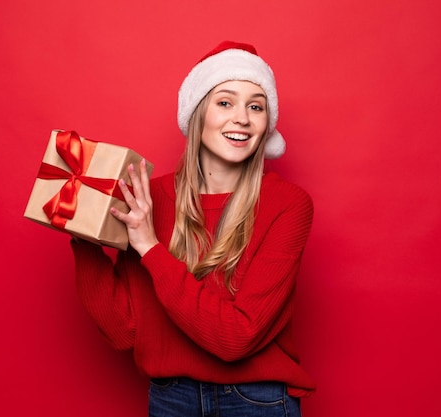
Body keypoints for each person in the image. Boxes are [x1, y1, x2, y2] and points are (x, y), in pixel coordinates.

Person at [70, 40, 315, 417]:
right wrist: (81, 228)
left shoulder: (289, 205)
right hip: (171, 399)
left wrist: (150, 248)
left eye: (255, 106)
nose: (242, 118)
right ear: (197, 113)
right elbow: (124, 330)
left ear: (267, 124)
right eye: (225, 102)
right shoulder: (150, 198)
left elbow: (236, 337)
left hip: (257, 402)